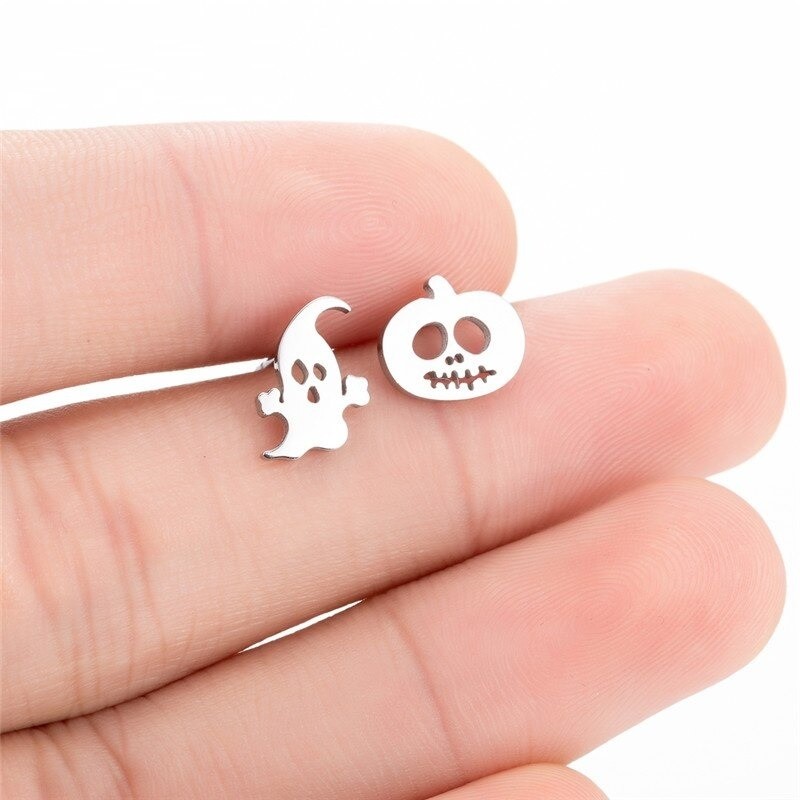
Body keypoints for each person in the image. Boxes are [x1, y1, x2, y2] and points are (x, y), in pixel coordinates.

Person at [1, 123, 786, 799]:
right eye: (441, 340)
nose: (455, 353)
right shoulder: (314, 391)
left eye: (462, 338)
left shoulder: (352, 382)